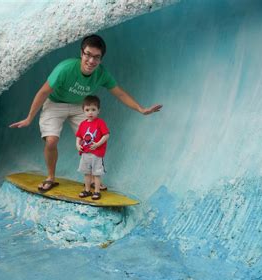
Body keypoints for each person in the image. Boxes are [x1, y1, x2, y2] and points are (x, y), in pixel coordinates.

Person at [9, 34, 162, 191]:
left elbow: (120, 93)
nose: (91, 61)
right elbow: (43, 92)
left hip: (80, 107)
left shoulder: (101, 73)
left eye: (96, 57)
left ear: (101, 59)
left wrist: (140, 109)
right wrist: (29, 118)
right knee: (51, 141)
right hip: (55, 104)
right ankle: (50, 177)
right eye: (88, 55)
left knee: (91, 141)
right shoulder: (65, 68)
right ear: (81, 53)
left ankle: (92, 179)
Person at [76, 95, 109, 200]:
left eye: (93, 110)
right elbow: (79, 136)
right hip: (85, 153)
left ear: (98, 110)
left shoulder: (100, 122)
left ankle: (97, 191)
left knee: (97, 174)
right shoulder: (82, 124)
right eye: (87, 110)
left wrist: (98, 144)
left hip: (96, 154)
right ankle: (87, 190)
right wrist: (77, 145)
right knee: (86, 173)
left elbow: (106, 135)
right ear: (83, 111)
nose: (90, 112)